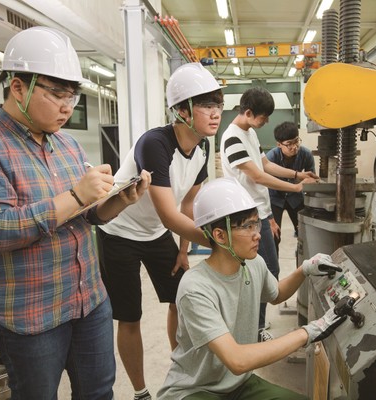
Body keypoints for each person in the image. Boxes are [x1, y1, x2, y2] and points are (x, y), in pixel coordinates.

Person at [0, 27, 150, 400]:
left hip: (89, 300)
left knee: (99, 391)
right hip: (29, 313)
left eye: (71, 95)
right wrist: (74, 194)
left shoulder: (65, 144)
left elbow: (85, 216)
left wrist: (119, 200)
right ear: (17, 87)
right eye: (56, 94)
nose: (67, 106)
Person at [97, 62, 224, 400]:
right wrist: (219, 244)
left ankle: (181, 371)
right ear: (182, 111)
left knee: (180, 300)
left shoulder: (203, 148)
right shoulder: (154, 144)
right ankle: (140, 392)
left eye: (218, 104)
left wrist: (184, 250)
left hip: (155, 234)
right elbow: (170, 215)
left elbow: (188, 207)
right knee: (131, 315)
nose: (216, 113)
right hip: (118, 232)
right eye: (206, 105)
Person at [157, 177, 346, 400]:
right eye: (248, 226)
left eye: (256, 223)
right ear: (219, 235)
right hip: (195, 390)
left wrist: (305, 269)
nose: (257, 233)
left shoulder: (253, 263)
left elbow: (276, 294)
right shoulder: (195, 288)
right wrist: (309, 331)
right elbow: (237, 360)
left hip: (239, 384)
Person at [220, 87, 319, 342]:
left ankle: (255, 326)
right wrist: (296, 187)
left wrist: (299, 175)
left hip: (259, 214)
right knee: (263, 273)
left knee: (263, 273)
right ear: (249, 112)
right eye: (263, 117)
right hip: (245, 218)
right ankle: (254, 329)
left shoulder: (250, 133)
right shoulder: (232, 138)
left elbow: (266, 165)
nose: (265, 122)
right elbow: (258, 175)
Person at [266, 121, 316, 254]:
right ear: (279, 144)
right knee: (274, 235)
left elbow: (312, 180)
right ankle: (273, 268)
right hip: (275, 198)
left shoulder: (306, 154)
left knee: (305, 232)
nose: (294, 147)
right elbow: (263, 183)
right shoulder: (271, 157)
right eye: (289, 144)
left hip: (296, 198)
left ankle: (304, 259)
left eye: (296, 141)